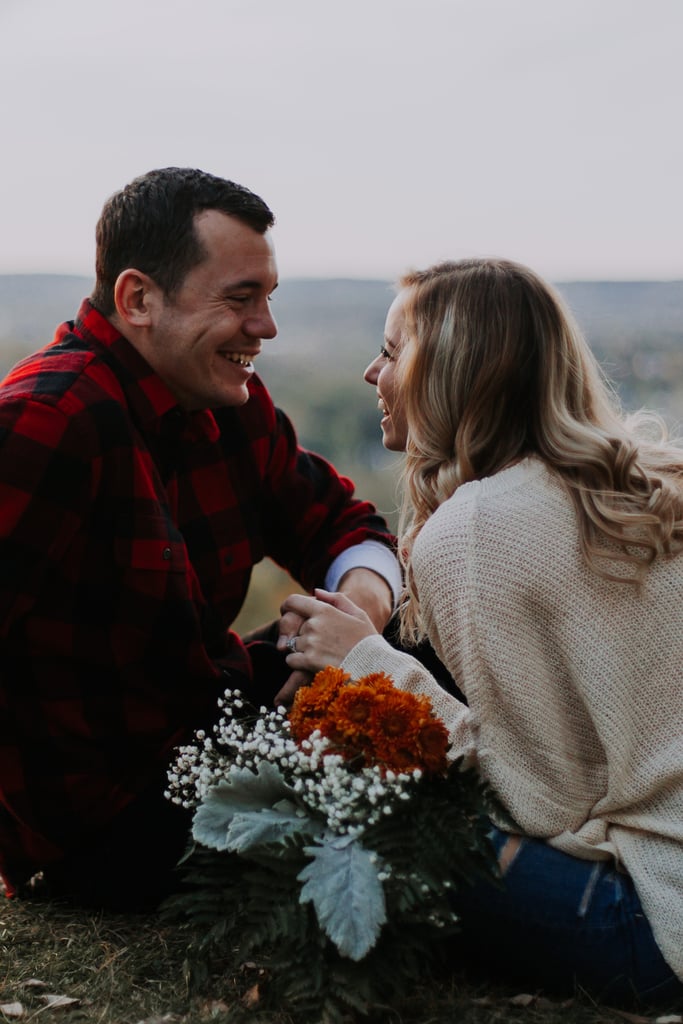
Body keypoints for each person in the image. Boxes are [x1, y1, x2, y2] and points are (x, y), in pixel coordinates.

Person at [279, 258, 683, 1005]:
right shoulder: (650, 479)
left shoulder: (478, 527)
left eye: (393, 351)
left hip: (654, 928)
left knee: (355, 816)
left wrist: (365, 661)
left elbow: (539, 801)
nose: (372, 371)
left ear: (452, 368)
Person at [0, 167, 401, 910]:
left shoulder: (229, 404)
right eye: (240, 299)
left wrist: (357, 631)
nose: (267, 328)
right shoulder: (48, 422)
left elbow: (346, 526)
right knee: (397, 839)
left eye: (269, 298)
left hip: (220, 729)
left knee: (413, 642)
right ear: (137, 299)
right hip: (108, 825)